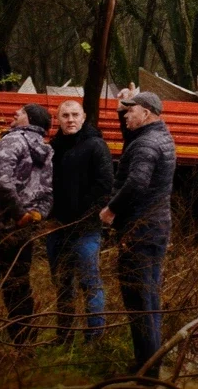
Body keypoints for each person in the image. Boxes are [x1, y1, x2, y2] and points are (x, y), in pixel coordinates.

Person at [0, 103, 54, 349]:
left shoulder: (12, 141)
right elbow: (47, 193)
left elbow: (3, 182)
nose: (15, 114)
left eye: (21, 112)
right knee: (17, 285)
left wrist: (18, 214)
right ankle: (24, 343)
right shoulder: (46, 150)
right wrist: (35, 215)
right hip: (22, 231)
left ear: (30, 119)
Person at [99, 90, 176, 373]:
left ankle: (146, 370)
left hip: (140, 232)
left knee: (139, 301)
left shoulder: (146, 145)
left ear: (146, 113)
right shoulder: (157, 135)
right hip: (155, 229)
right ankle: (151, 362)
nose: (126, 115)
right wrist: (124, 105)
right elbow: (132, 136)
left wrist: (111, 209)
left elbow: (137, 182)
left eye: (131, 111)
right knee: (149, 298)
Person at [48, 99, 114, 343]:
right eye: (65, 115)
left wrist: (84, 215)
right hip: (58, 227)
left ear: (84, 117)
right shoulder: (54, 147)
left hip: (86, 228)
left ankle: (94, 338)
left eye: (75, 114)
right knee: (62, 281)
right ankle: (63, 335)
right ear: (58, 119)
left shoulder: (96, 145)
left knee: (89, 282)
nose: (70, 120)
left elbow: (105, 185)